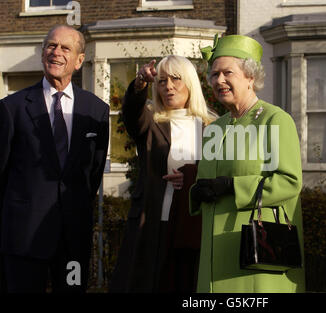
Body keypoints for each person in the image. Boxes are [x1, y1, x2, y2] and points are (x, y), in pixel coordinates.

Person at [189, 35, 305, 293]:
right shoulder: (214, 128)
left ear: (251, 77)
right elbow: (205, 181)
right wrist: (196, 192)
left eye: (227, 73)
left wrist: (233, 186)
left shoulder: (274, 120)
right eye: (214, 74)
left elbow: (289, 182)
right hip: (214, 254)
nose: (219, 80)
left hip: (257, 255)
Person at [0, 25, 109, 292]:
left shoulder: (96, 111)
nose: (56, 52)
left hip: (73, 239)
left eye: (65, 48)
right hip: (24, 239)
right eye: (51, 45)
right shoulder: (11, 108)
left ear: (79, 60)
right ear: (42, 52)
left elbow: (92, 173)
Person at [109, 55, 217, 292]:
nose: (168, 86)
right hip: (155, 221)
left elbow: (219, 173)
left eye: (176, 79)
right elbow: (131, 112)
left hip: (194, 222)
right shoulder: (151, 122)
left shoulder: (212, 126)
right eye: (162, 80)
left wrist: (192, 176)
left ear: (190, 82)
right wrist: (140, 83)